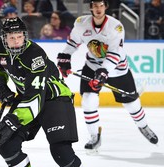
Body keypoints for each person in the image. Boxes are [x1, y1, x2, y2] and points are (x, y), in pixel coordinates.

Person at [0, 17, 100, 167]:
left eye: (19, 37)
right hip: (27, 99)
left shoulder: (34, 55)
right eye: (11, 37)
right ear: (4, 38)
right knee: (7, 146)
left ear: (25, 36)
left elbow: (35, 99)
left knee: (61, 151)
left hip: (54, 100)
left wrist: (12, 120)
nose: (16, 41)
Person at [57, 0, 158, 152]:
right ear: (90, 7)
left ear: (106, 7)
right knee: (88, 100)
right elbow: (72, 43)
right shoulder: (81, 23)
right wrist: (65, 58)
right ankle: (94, 136)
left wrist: (104, 72)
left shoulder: (115, 26)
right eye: (95, 5)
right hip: (92, 66)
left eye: (101, 5)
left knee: (131, 104)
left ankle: (143, 126)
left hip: (117, 69)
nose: (98, 8)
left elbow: (114, 53)